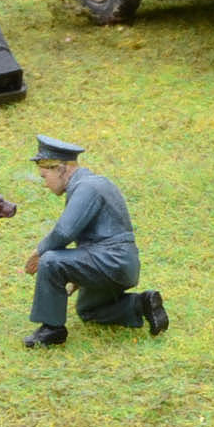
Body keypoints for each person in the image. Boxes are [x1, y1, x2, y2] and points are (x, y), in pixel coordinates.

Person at [20, 135, 169, 348]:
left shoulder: (86, 187)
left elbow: (64, 232)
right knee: (88, 311)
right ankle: (141, 304)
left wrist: (39, 252)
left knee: (51, 260)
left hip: (112, 261)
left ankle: (52, 330)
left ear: (60, 169)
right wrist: (78, 273)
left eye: (45, 176)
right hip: (120, 264)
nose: (45, 184)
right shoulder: (93, 183)